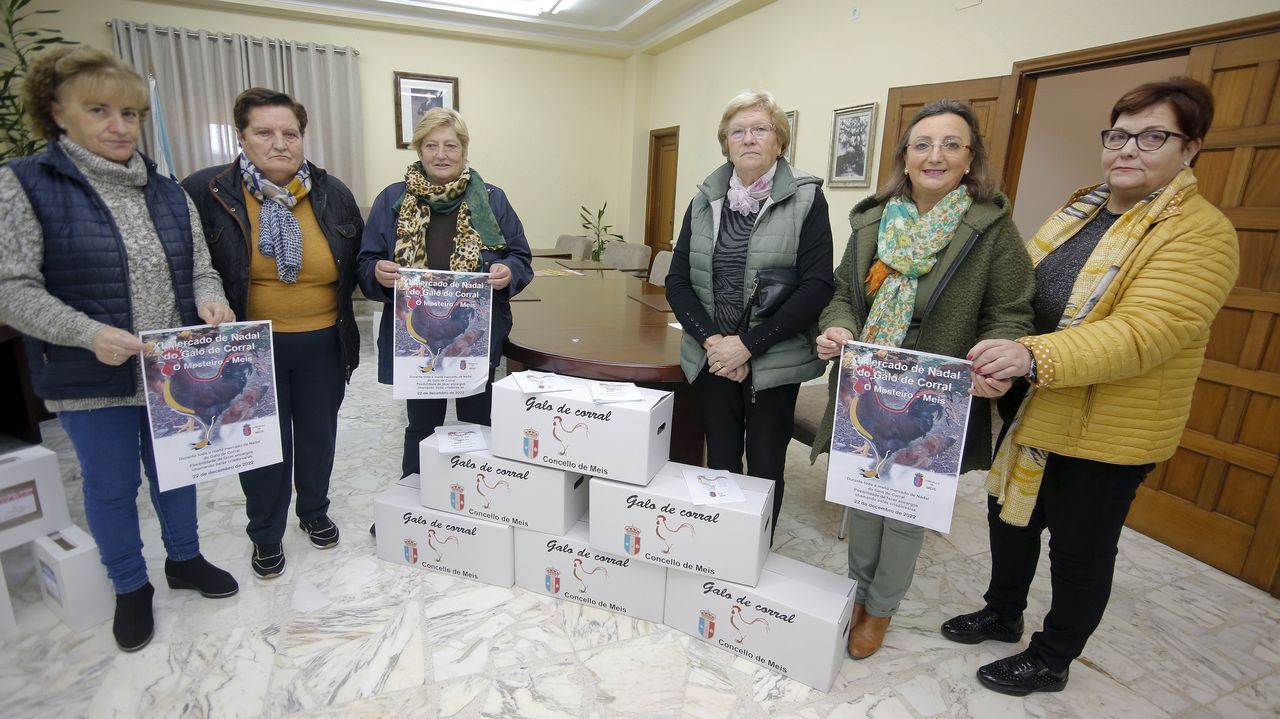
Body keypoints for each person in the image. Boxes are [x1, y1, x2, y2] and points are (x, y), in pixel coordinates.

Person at [941, 78, 1239, 696]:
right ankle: (1003, 612)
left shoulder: (1200, 233)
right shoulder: (1083, 209)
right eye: (1119, 134)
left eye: (1153, 136)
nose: (1128, 148)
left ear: (1191, 149)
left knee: (1080, 549)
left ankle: (1052, 658)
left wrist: (1026, 354)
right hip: (1037, 403)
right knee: (1010, 519)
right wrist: (1000, 349)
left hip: (1108, 425)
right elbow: (1024, 289)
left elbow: (1144, 333)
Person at [0, 47, 239, 651]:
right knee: (109, 486)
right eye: (99, 110)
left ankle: (184, 559)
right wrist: (88, 333)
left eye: (131, 113)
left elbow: (200, 271)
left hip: (171, 371)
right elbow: (11, 290)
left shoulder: (167, 190)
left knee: (176, 474)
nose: (119, 126)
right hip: (90, 371)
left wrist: (213, 302)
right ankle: (131, 587)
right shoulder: (23, 184)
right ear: (57, 113)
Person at [810, 99, 1035, 660]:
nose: (935, 155)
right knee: (862, 495)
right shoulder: (870, 222)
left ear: (970, 160)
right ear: (905, 158)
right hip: (868, 387)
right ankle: (858, 592)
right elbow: (843, 294)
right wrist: (838, 329)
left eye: (951, 144)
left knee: (906, 508)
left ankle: (879, 609)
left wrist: (995, 360)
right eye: (922, 144)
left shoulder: (992, 232)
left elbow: (1011, 312)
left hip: (934, 396)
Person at [183, 88, 364, 580]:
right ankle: (265, 533)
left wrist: (392, 276)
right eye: (264, 132)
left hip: (324, 340)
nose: (280, 143)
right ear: (241, 137)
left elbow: (360, 265)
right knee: (261, 441)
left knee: (317, 435)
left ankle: (314, 511)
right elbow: (187, 264)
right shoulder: (208, 191)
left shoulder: (333, 193)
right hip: (248, 350)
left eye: (291, 133)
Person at [666, 90, 835, 536]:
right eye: (737, 132)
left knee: (764, 466)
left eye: (760, 129)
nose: (748, 139)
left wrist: (748, 347)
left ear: (780, 139)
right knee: (720, 459)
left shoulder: (807, 198)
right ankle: (723, 543)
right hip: (713, 356)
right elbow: (678, 280)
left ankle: (756, 551)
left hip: (773, 359)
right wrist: (715, 344)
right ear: (726, 143)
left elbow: (817, 285)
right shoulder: (706, 196)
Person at [359, 107, 533, 481]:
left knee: (477, 422)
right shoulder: (393, 198)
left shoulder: (492, 199)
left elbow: (520, 256)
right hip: (418, 337)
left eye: (451, 145)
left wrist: (508, 272)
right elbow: (366, 259)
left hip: (473, 336)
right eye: (432, 145)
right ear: (419, 149)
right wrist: (376, 270)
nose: (441, 154)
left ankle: (475, 495)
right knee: (421, 426)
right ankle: (414, 499)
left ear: (464, 149)